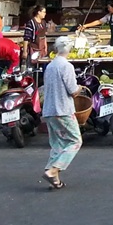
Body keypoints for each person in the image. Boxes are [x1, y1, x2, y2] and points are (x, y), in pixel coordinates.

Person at [41, 36, 83, 189]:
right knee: (75, 141)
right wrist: (81, 88)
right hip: (63, 109)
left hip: (49, 110)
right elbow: (72, 91)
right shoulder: (66, 66)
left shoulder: (51, 66)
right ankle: (53, 170)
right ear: (69, 49)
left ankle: (55, 178)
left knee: (57, 143)